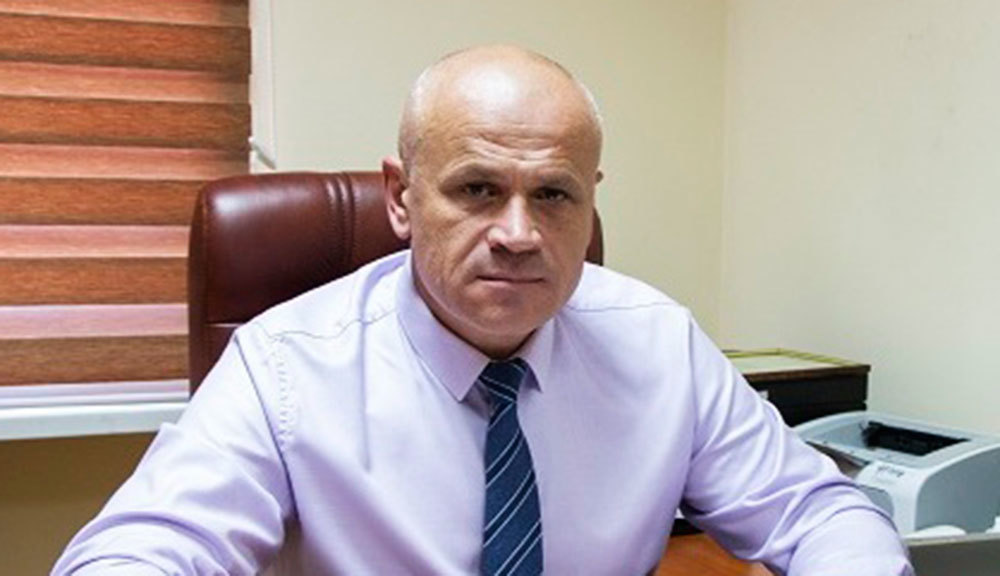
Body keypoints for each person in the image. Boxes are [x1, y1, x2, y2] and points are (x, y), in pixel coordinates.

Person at [53, 45, 912, 575]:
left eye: (554, 195)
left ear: (592, 199)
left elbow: (817, 512)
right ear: (400, 198)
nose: (518, 234)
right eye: (476, 189)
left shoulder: (659, 343)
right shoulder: (285, 363)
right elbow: (145, 548)